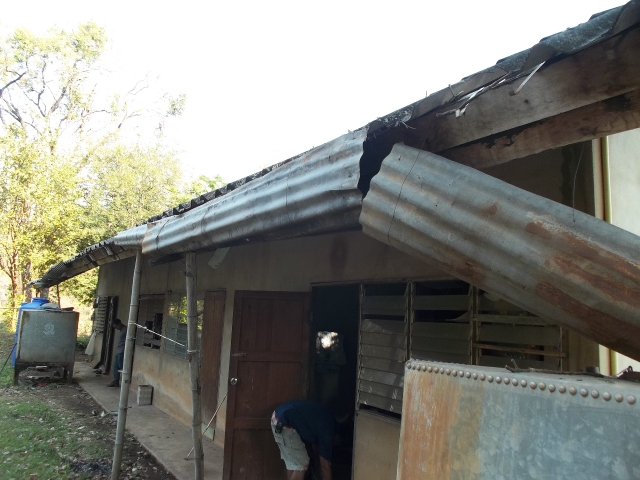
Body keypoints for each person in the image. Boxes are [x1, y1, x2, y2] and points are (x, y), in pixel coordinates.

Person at [271, 400, 335, 480]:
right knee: (301, 465)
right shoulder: (328, 430)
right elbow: (325, 467)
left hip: (277, 417)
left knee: (292, 464)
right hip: (286, 422)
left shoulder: (324, 418)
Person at [107, 319, 126, 387]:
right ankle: (116, 380)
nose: (116, 328)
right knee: (116, 367)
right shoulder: (122, 330)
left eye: (116, 326)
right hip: (119, 350)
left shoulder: (126, 330)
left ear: (119, 324)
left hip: (122, 351)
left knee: (121, 367)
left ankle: (124, 381)